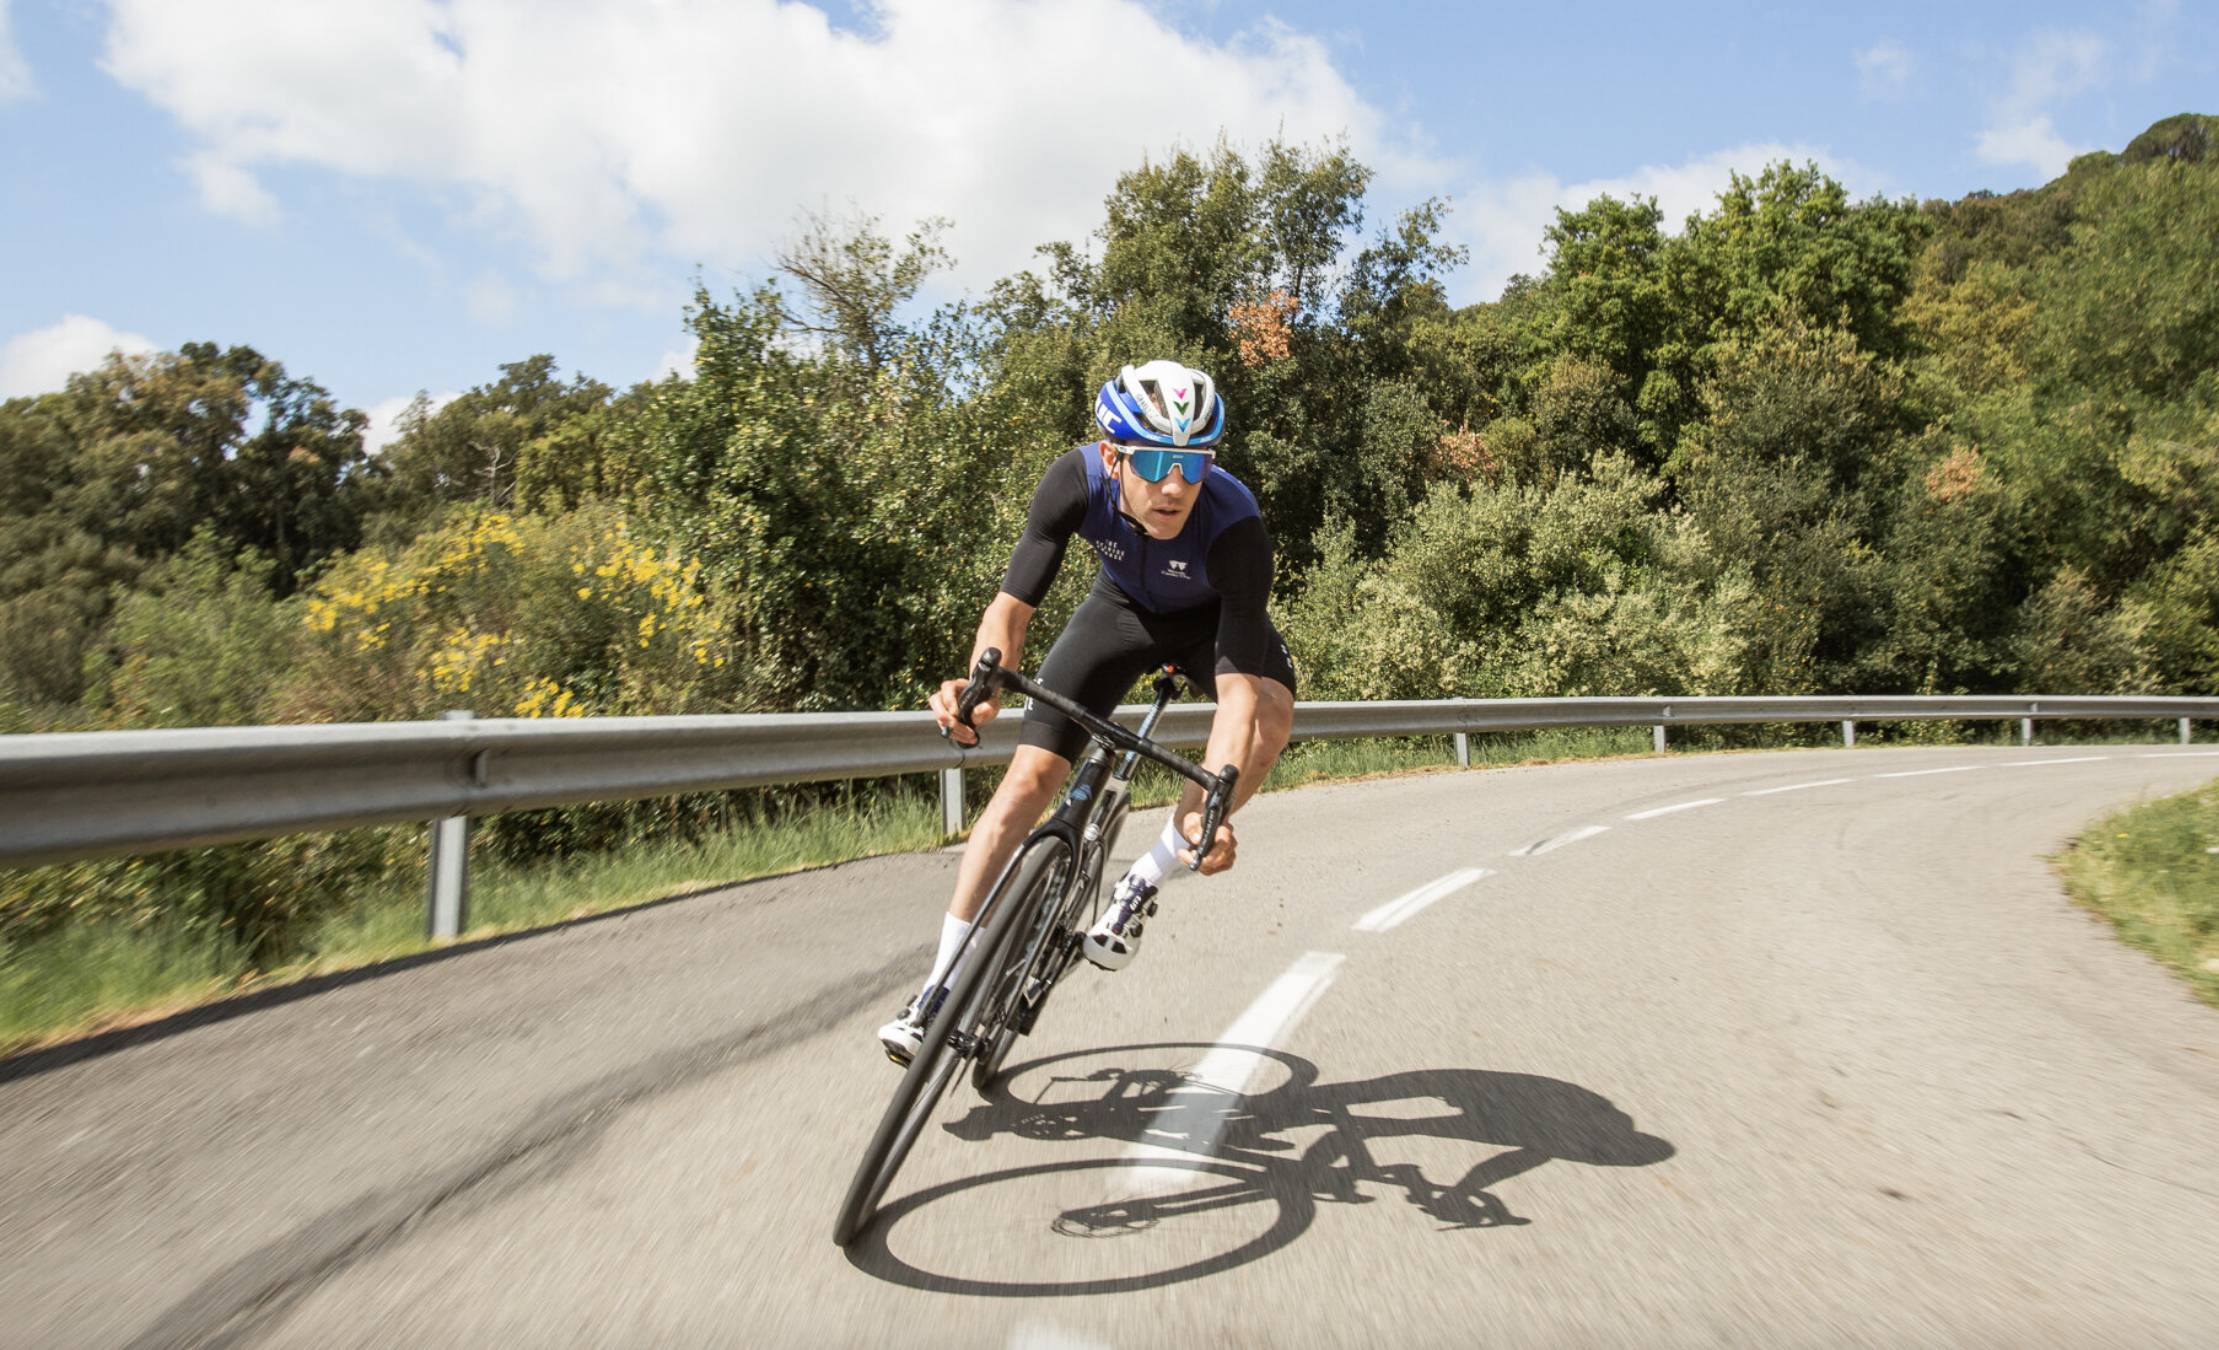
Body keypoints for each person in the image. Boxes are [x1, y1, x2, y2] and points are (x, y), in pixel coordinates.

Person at [879, 359, 1298, 1065]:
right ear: (1112, 455)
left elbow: (1235, 697)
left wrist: (1214, 806)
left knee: (1272, 714)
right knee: (1022, 787)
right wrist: (983, 692)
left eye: (1193, 465)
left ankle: (1145, 878)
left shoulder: (1233, 527)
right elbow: (1010, 610)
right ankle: (936, 987)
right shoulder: (1075, 481)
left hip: (1209, 628)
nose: (1175, 486)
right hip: (1119, 615)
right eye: (1157, 460)